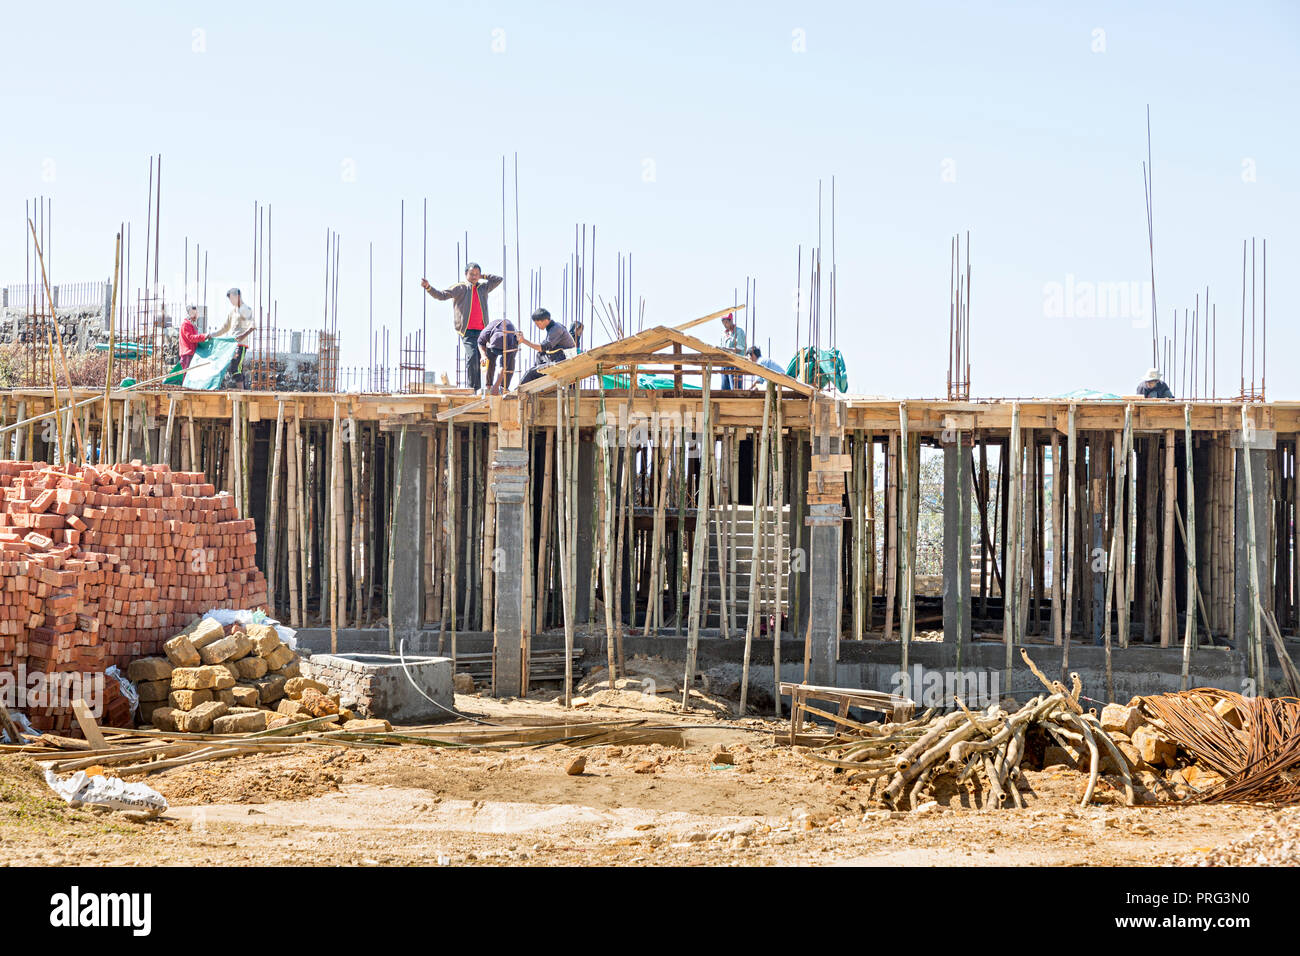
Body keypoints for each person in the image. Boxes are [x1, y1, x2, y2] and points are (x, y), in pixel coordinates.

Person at [421, 263, 503, 391]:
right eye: (471, 274)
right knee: (472, 357)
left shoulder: (484, 287)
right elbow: (442, 295)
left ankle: (482, 386)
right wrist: (428, 287)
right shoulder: (460, 288)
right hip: (467, 331)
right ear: (466, 274)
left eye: (477, 274)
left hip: (482, 332)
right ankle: (473, 387)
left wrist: (483, 276)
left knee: (482, 358)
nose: (474, 276)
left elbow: (498, 279)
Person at [210, 288, 255, 388]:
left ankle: (241, 393)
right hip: (231, 344)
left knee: (236, 367)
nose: (230, 301)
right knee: (234, 367)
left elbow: (252, 326)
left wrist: (242, 335)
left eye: (231, 298)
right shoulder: (232, 312)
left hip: (240, 344)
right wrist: (211, 335)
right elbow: (225, 328)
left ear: (237, 296)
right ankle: (242, 392)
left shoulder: (245, 309)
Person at [519, 308, 577, 385]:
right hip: (559, 358)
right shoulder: (552, 328)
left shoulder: (556, 329)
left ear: (546, 320)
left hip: (564, 361)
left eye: (538, 324)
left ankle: (517, 392)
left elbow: (542, 347)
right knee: (540, 355)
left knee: (531, 373)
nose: (537, 326)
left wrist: (523, 341)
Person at [478, 315, 519, 394]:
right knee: (489, 360)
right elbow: (480, 343)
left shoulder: (511, 344)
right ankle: (488, 385)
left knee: (509, 365)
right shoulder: (486, 333)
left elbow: (503, 367)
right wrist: (483, 355)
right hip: (492, 343)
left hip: (509, 343)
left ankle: (503, 387)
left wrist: (496, 386)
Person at [720, 312, 746, 390]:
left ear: (731, 321)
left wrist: (725, 350)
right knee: (724, 390)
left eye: (726, 322)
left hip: (735, 364)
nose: (725, 324)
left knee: (735, 389)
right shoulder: (724, 335)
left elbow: (739, 349)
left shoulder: (739, 332)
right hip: (725, 364)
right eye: (723, 322)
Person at [179, 305, 207, 371]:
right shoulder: (186, 324)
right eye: (193, 313)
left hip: (190, 353)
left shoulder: (191, 325)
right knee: (187, 376)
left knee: (190, 376)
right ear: (188, 314)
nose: (195, 316)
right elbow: (191, 338)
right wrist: (204, 336)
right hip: (187, 354)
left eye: (196, 313)